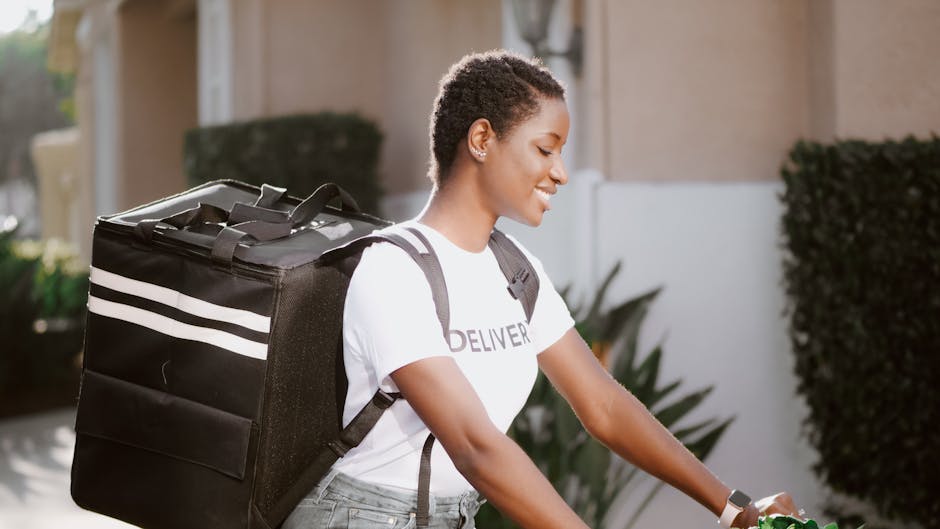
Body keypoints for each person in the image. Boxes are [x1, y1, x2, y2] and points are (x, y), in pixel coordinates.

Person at [284, 50, 803, 529]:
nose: (560, 173)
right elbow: (474, 446)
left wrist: (733, 508)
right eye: (545, 149)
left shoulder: (514, 268)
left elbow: (602, 405)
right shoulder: (393, 268)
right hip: (358, 518)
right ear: (482, 140)